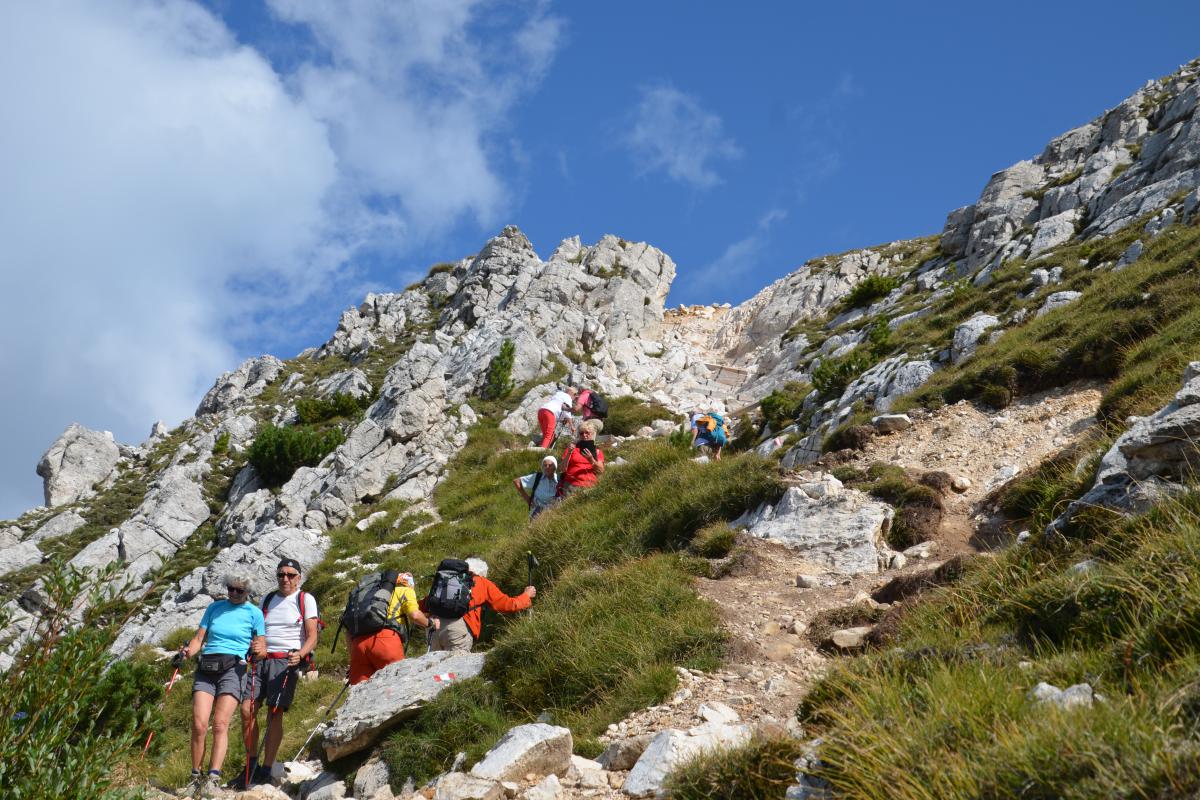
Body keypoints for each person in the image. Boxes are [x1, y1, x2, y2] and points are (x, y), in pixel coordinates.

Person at [175, 571, 265, 799]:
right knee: (198, 723)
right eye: (230, 589)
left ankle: (213, 778)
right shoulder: (214, 608)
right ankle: (195, 777)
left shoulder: (254, 614)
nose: (233, 594)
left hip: (234, 669)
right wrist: (186, 653)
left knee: (220, 723)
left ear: (247, 592)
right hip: (207, 666)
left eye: (239, 590)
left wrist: (257, 652)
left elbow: (261, 645)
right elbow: (198, 640)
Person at [236, 558, 320, 788]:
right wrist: (256, 644)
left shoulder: (306, 599)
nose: (285, 579)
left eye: (291, 575)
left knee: (275, 713)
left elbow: (312, 635)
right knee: (247, 709)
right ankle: (251, 764)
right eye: (281, 574)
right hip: (261, 660)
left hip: (286, 661)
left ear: (299, 578)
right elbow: (259, 629)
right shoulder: (268, 598)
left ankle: (266, 767)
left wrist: (301, 654)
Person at [424, 557, 535, 652]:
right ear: (481, 573)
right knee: (454, 672)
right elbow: (507, 604)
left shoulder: (446, 580)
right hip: (457, 631)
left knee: (434, 671)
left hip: (433, 627)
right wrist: (526, 596)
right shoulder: (481, 582)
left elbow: (425, 603)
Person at [348, 571, 430, 685]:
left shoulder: (367, 597)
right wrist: (431, 623)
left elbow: (348, 630)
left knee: (360, 693)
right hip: (385, 640)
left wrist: (353, 657)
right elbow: (415, 615)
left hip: (357, 645)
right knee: (397, 685)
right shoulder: (405, 590)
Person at [558, 418, 605, 496]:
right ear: (579, 435)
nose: (584, 435)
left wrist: (591, 459)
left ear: (593, 434)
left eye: (587, 433)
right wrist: (569, 453)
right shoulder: (571, 449)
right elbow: (562, 469)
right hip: (571, 485)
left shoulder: (597, 451)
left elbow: (601, 471)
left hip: (590, 486)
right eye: (581, 433)